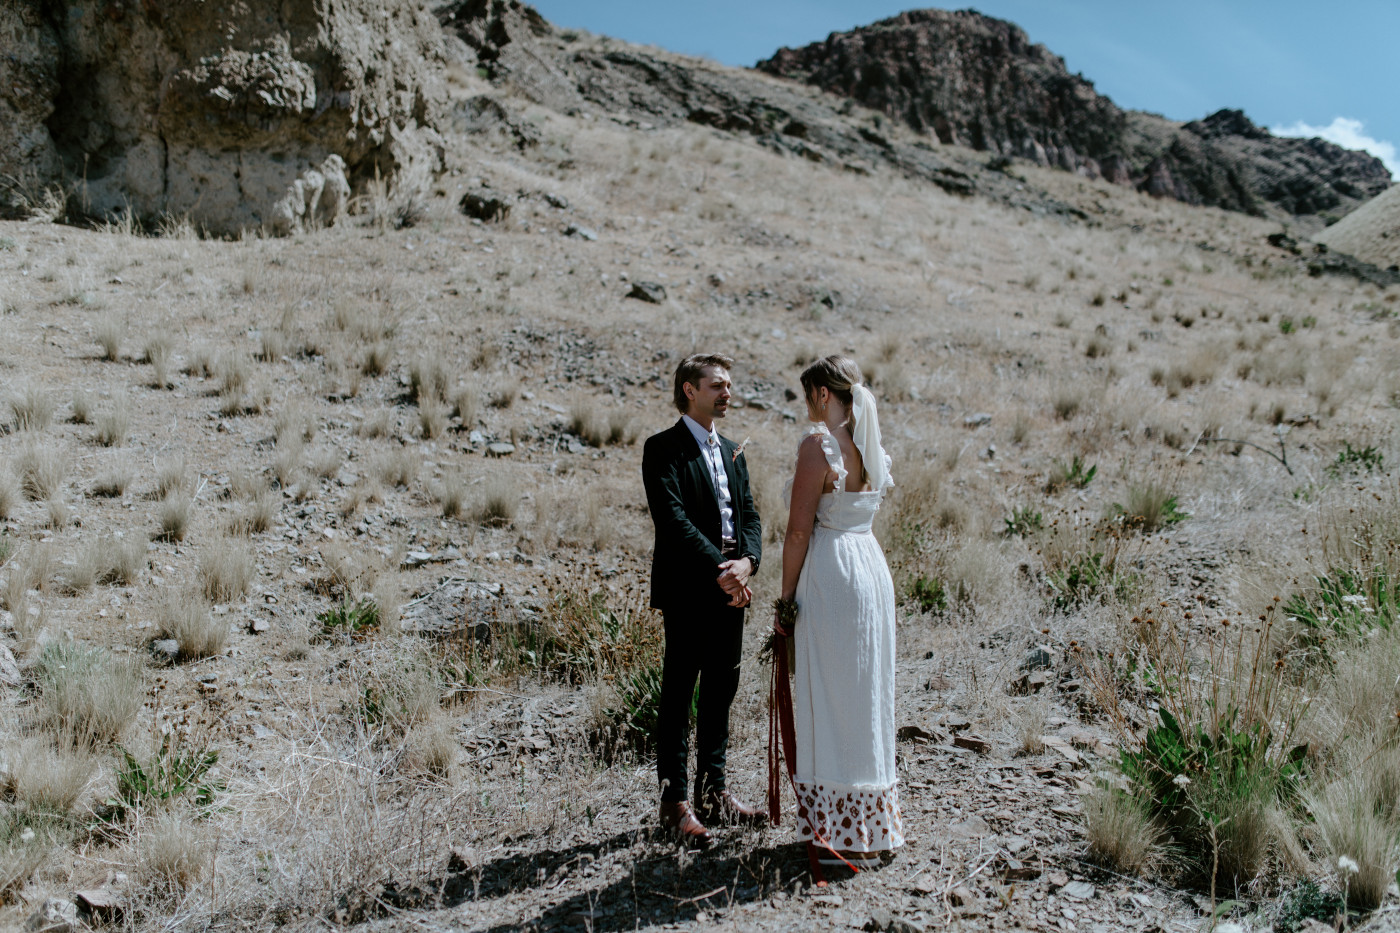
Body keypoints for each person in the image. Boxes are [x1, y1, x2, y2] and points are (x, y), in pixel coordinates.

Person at [777, 355, 903, 866]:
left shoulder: (818, 447)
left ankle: (836, 835)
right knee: (868, 692)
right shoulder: (872, 446)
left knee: (830, 693)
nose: (808, 406)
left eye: (810, 396)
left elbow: (798, 531)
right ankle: (872, 826)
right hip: (870, 568)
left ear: (824, 395)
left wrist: (784, 600)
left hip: (832, 572)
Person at [641, 353, 767, 846]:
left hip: (731, 590)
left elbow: (751, 517)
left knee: (721, 693)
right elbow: (672, 522)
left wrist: (748, 564)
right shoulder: (662, 449)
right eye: (718, 384)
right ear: (690, 390)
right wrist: (723, 570)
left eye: (730, 384)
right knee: (678, 696)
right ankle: (674, 804)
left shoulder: (734, 450)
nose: (728, 392)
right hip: (691, 589)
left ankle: (714, 794)